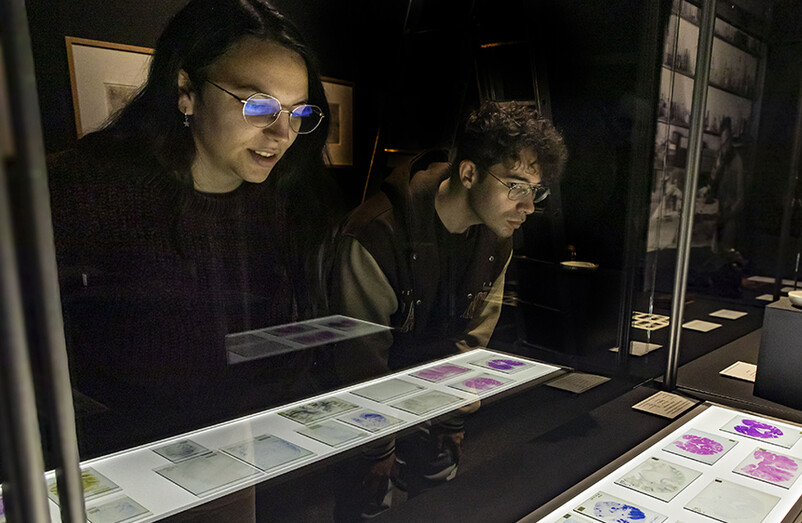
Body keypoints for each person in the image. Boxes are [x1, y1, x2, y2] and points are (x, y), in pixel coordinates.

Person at [47, 0, 340, 453]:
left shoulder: (281, 196)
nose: (282, 134)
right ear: (186, 90)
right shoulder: (92, 187)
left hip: (239, 443)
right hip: (115, 454)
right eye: (258, 105)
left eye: (297, 112)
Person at [328, 101, 567, 520]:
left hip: (433, 387)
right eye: (515, 186)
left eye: (535, 191)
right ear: (469, 173)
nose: (528, 207)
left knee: (441, 499)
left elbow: (474, 339)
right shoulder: (376, 235)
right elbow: (359, 359)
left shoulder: (497, 239)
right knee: (368, 500)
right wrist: (376, 446)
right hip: (366, 401)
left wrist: (454, 417)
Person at [705, 116, 744, 253]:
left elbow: (741, 196)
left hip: (729, 215)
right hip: (716, 210)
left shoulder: (737, 160)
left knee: (726, 252)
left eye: (727, 141)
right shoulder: (719, 155)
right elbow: (713, 178)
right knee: (710, 248)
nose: (724, 145)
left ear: (731, 140)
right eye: (722, 141)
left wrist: (729, 213)